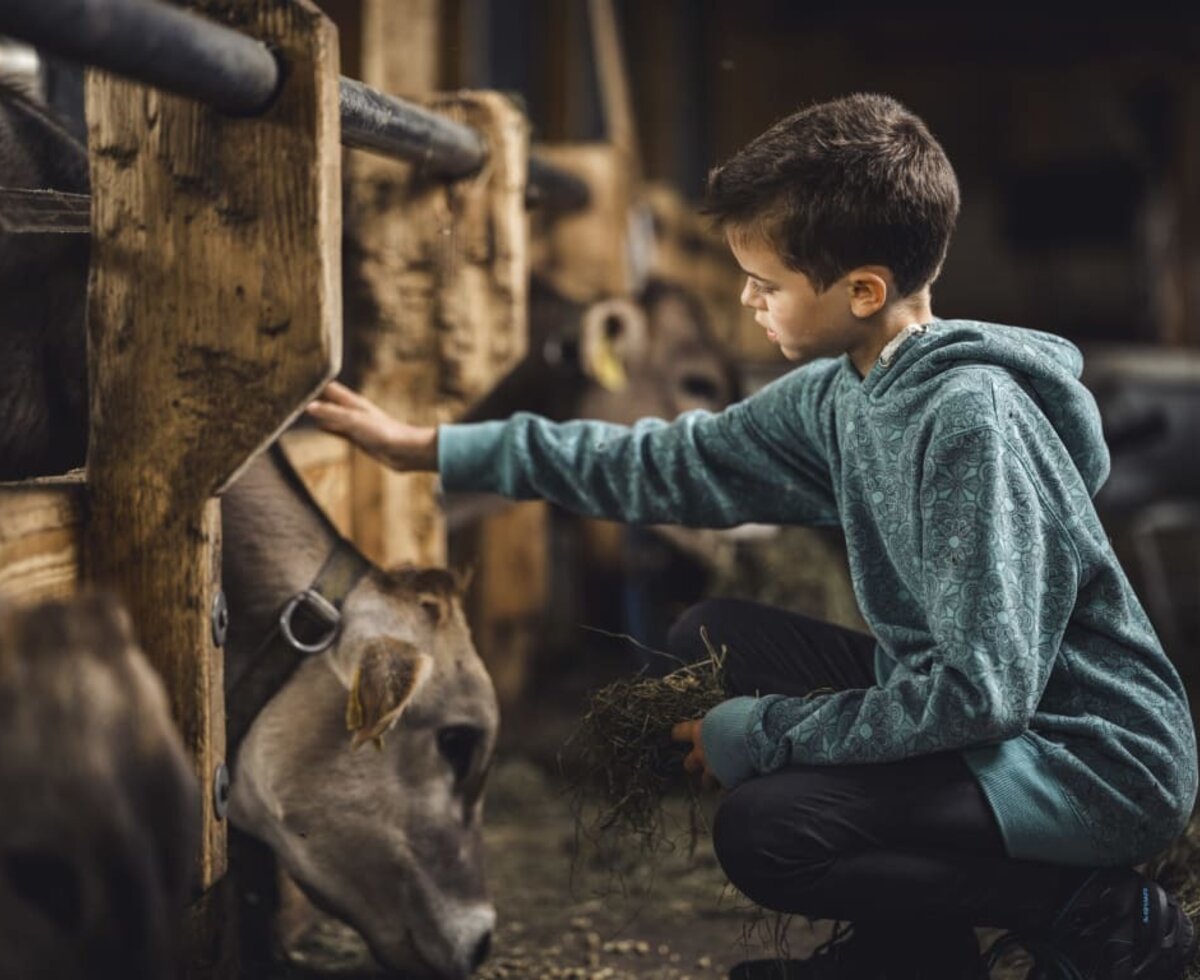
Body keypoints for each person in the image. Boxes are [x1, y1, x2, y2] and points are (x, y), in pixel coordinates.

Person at [306, 93, 1198, 980]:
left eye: (766, 284)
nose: (747, 299)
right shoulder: (847, 390)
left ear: (862, 291)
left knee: (768, 829)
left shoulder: (970, 422)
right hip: (992, 718)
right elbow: (667, 464)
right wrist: (433, 448)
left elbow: (981, 695)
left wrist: (765, 734)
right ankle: (911, 956)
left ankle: (1099, 916)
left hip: (1088, 760)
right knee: (711, 638)